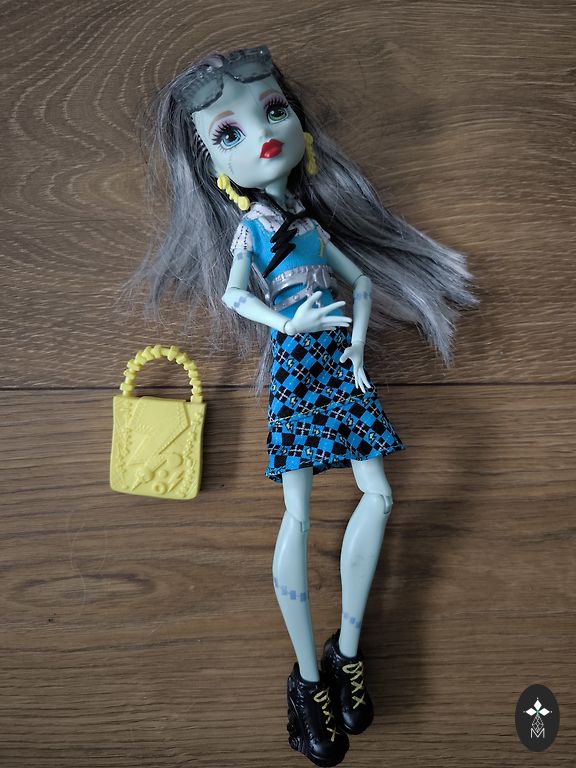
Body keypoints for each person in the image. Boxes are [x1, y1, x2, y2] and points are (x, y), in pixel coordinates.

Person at [126, 45, 477, 767]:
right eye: (229, 132)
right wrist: (288, 325)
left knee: (380, 496)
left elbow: (363, 284)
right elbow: (234, 294)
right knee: (299, 511)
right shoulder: (251, 230)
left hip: (339, 365)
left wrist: (356, 346)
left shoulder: (314, 227)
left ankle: (346, 650)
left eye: (274, 109)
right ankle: (309, 681)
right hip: (296, 366)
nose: (262, 134)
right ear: (215, 169)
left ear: (301, 126)